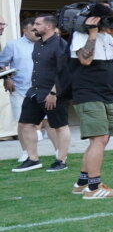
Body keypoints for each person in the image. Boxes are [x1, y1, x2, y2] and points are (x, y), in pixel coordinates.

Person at [69, 11, 113, 198]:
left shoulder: (111, 38)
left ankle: (81, 183)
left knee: (102, 139)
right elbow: (85, 59)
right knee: (98, 139)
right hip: (88, 94)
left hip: (108, 95)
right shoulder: (80, 36)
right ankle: (94, 188)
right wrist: (92, 34)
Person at [7, 17, 70, 173]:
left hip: (54, 93)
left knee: (60, 126)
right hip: (35, 91)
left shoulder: (60, 44)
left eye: (37, 24)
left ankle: (61, 160)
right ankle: (33, 159)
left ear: (48, 26)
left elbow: (64, 72)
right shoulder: (39, 44)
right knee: (24, 124)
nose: (33, 27)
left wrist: (54, 92)